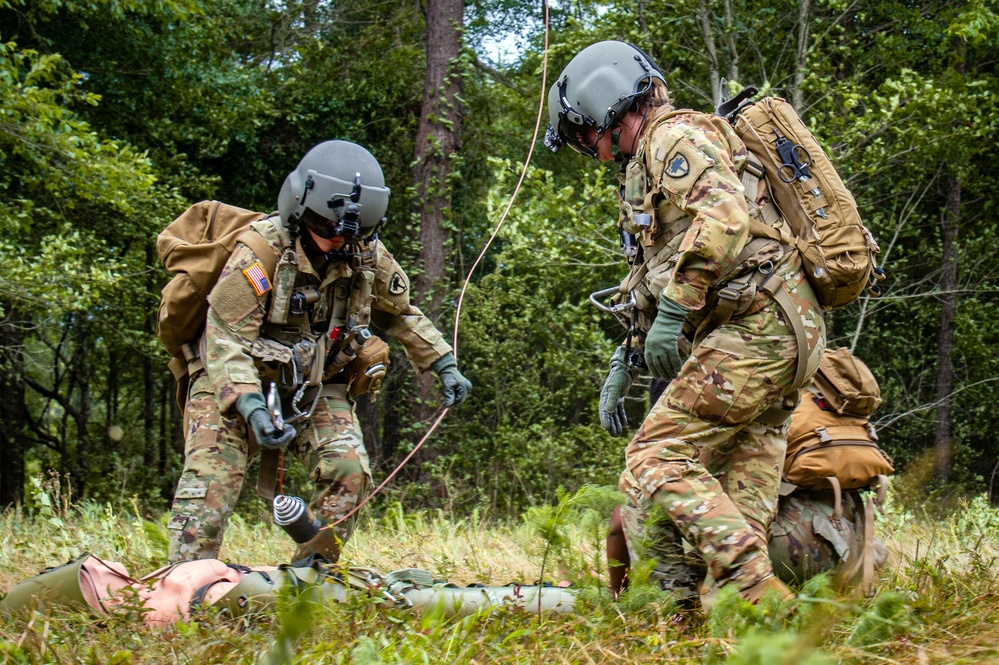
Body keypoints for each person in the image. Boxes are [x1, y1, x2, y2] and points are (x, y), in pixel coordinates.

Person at [546, 41, 826, 604]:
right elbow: (652, 273)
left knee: (654, 457)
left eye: (584, 134)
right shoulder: (650, 164)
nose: (589, 150)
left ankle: (759, 592)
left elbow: (726, 216)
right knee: (735, 505)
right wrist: (626, 359)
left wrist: (677, 309)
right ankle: (727, 621)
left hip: (756, 326)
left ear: (608, 107)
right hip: (786, 332)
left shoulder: (671, 138)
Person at [166, 140, 472, 564]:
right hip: (235, 380)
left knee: (349, 471)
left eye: (350, 232)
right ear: (300, 208)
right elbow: (224, 338)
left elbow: (401, 313)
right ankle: (187, 580)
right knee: (212, 477)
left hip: (314, 385)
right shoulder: (260, 253)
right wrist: (251, 406)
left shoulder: (364, 252)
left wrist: (443, 363)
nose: (336, 241)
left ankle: (312, 573)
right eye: (325, 227)